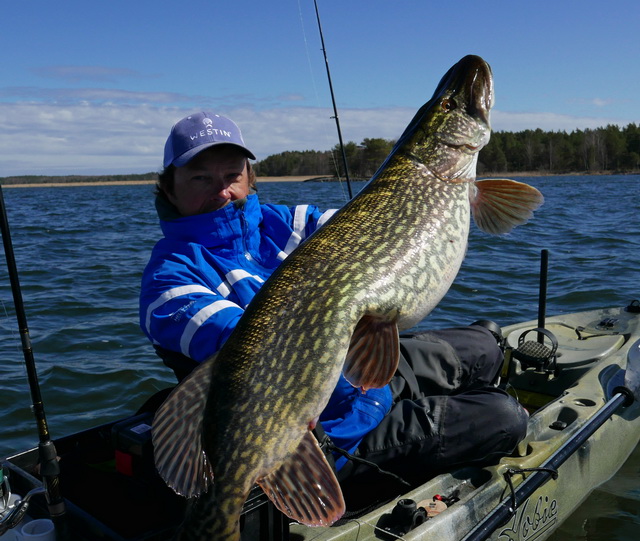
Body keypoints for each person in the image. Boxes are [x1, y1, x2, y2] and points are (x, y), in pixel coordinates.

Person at [139, 111, 528, 498]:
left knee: (486, 347)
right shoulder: (169, 280)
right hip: (328, 432)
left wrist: (442, 191)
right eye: (201, 178)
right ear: (169, 188)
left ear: (249, 177)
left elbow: (379, 230)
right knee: (502, 418)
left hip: (366, 377)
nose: (222, 191)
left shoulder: (282, 223)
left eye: (232, 175)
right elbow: (253, 347)